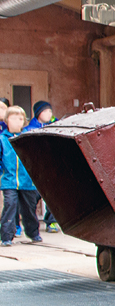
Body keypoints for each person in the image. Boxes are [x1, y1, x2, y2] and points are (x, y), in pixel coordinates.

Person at [1, 106, 42, 246]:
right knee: (10, 205)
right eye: (13, 118)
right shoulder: (2, 139)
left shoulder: (27, 137)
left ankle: (33, 233)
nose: (17, 121)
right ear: (6, 120)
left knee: (29, 209)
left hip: (27, 181)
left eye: (20, 118)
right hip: (9, 180)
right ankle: (6, 236)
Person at [26, 101, 59, 232]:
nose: (49, 113)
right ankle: (30, 226)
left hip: (49, 168)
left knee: (53, 198)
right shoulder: (30, 128)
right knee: (31, 200)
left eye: (50, 111)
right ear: (39, 113)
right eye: (45, 111)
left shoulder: (55, 125)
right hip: (34, 170)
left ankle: (51, 222)